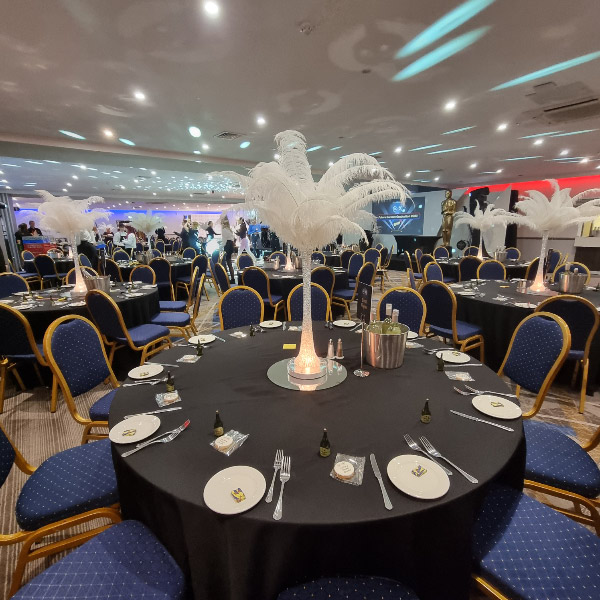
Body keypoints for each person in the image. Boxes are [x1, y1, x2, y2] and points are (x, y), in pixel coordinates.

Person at [221, 215, 236, 283]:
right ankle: (232, 279)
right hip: (230, 245)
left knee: (225, 263)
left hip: (227, 245)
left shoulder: (224, 230)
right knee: (229, 262)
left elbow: (224, 241)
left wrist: (220, 247)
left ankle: (226, 279)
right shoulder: (229, 229)